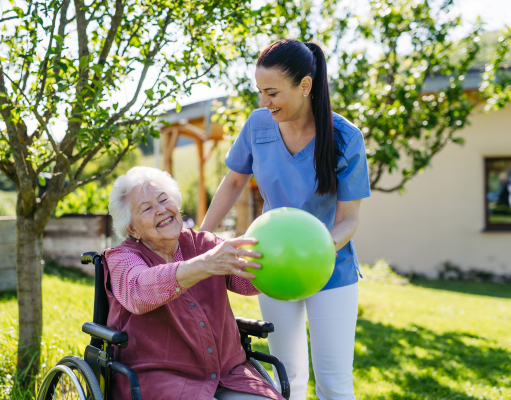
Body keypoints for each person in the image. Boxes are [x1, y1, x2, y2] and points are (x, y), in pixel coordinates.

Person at [200, 39, 371, 400]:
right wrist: (200, 238)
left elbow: (349, 219)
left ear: (305, 86)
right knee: (286, 378)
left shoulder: (345, 137)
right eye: (261, 92)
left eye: (273, 92)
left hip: (332, 270)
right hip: (272, 266)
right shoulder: (258, 125)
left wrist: (314, 249)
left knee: (334, 383)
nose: (265, 102)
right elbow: (233, 182)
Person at [103, 166, 285, 400]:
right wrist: (203, 265)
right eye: (147, 208)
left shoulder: (205, 244)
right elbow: (139, 291)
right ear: (132, 228)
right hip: (158, 378)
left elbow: (246, 282)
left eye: (163, 200)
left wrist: (275, 261)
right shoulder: (122, 258)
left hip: (227, 373)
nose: (161, 210)